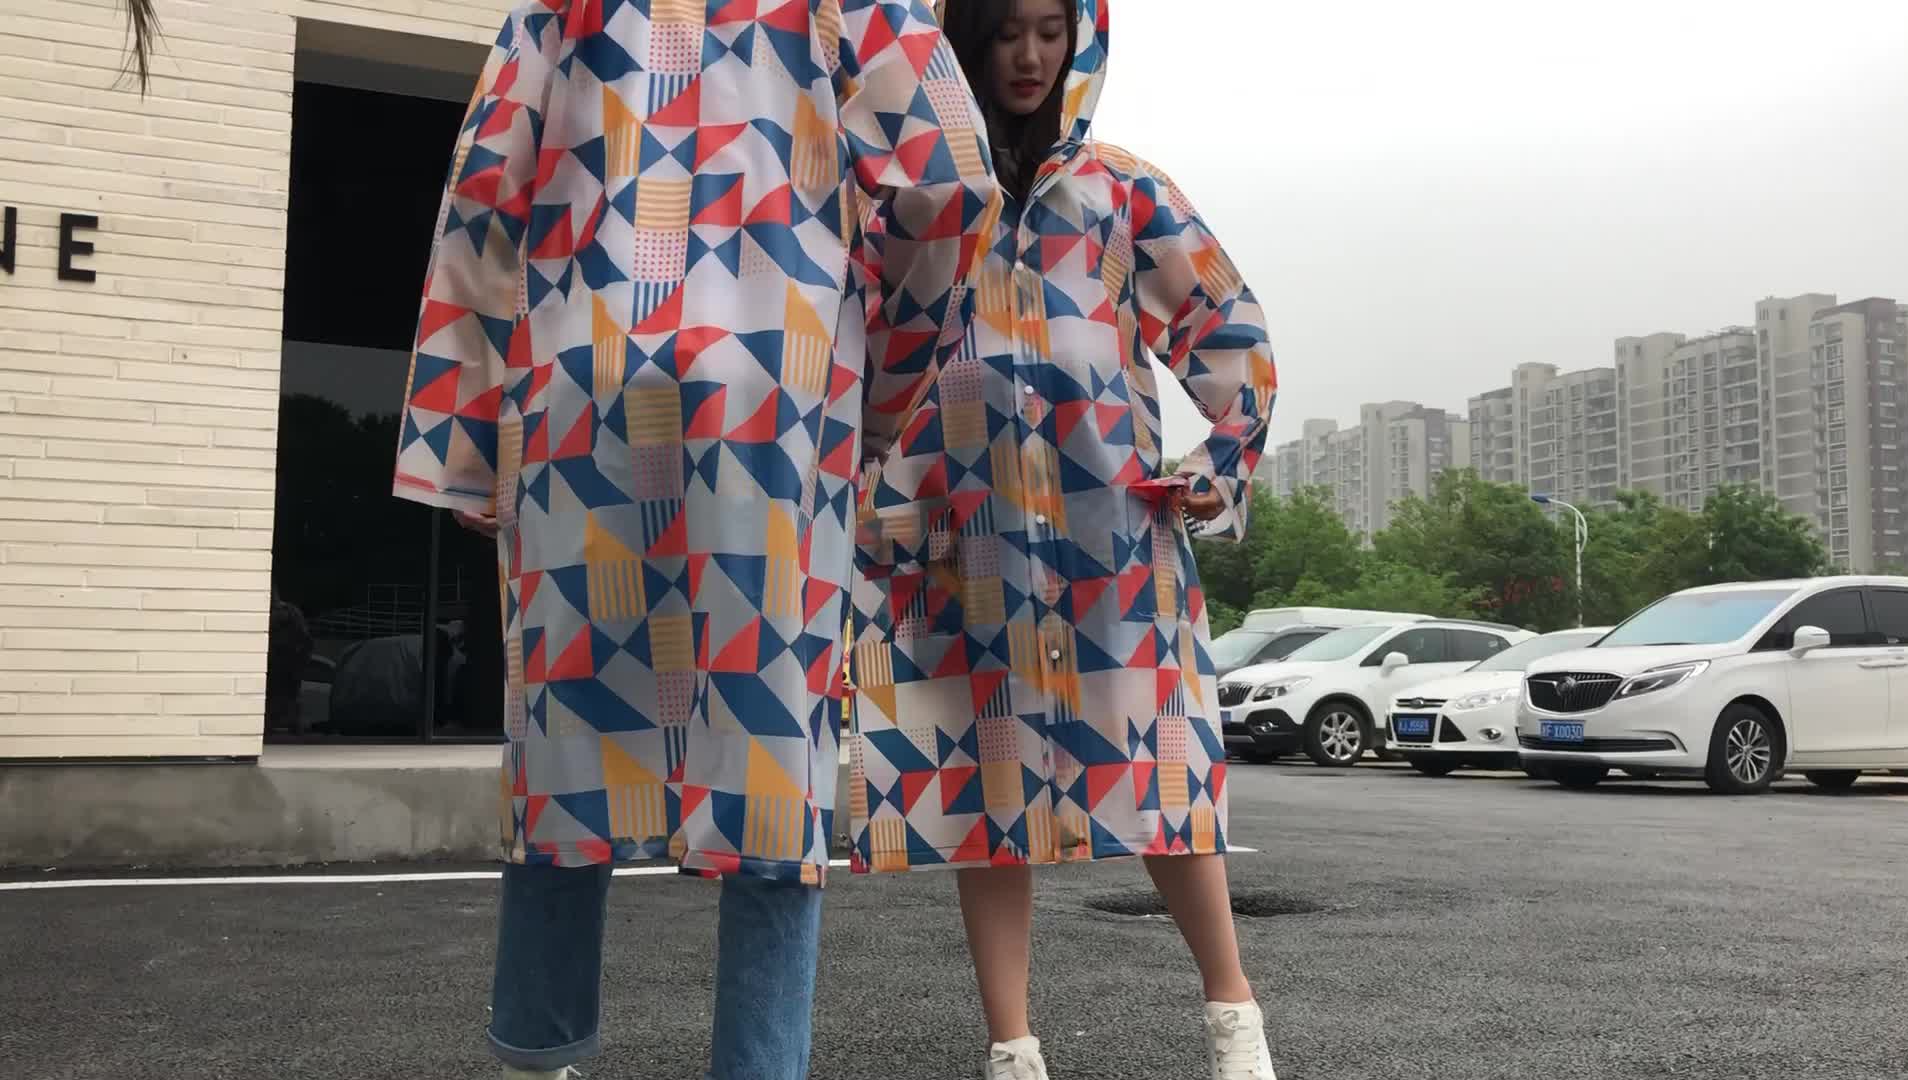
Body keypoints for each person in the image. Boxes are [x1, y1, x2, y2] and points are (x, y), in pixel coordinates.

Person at [380, 4, 998, 1080]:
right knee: (774, 755)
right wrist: (881, 380)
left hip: (579, 379)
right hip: (776, 385)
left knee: (562, 738)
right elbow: (948, 180)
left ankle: (539, 1053)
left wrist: (471, 439)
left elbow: (483, 193)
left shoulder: (558, 8)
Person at [845, 1, 1278, 1078]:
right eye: (1005, 33)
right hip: (962, 544)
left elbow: (1230, 330)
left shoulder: (1123, 193)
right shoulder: (919, 202)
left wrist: (1217, 469)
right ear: (967, 43)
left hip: (1112, 543)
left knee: (1169, 780)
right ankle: (1012, 1050)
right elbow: (858, 349)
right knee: (989, 796)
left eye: (1049, 29)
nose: (1030, 56)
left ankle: (1236, 1023)